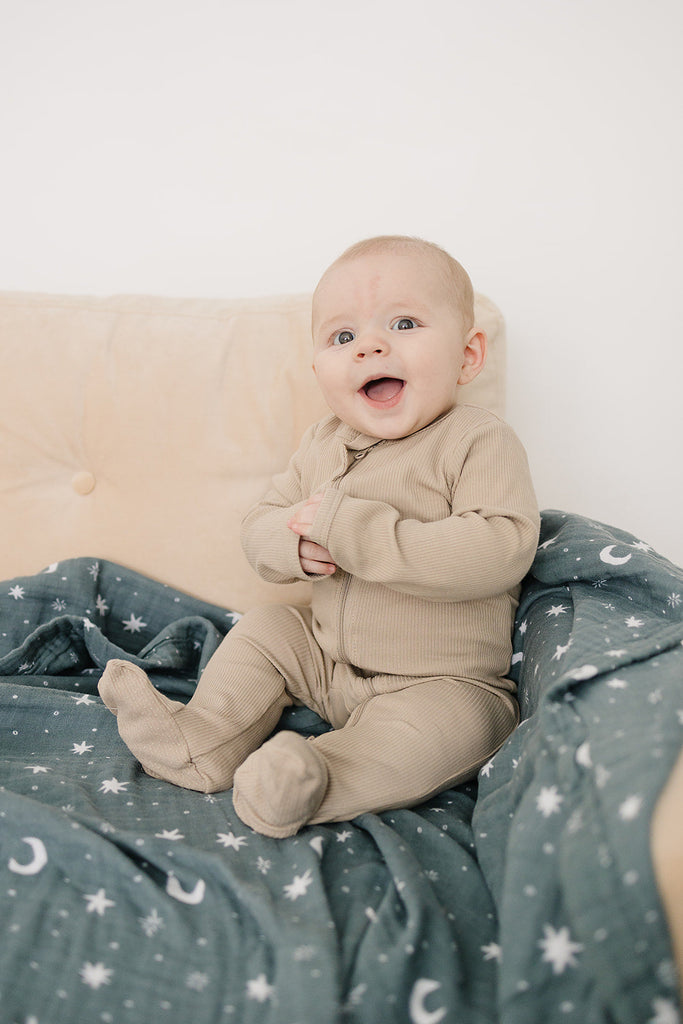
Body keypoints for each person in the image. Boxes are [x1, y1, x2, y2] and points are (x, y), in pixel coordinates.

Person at [98, 235, 540, 837]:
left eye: (404, 323)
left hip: (442, 683)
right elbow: (259, 525)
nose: (371, 346)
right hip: (330, 665)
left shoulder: (474, 439)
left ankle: (306, 780)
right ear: (319, 371)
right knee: (269, 627)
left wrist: (353, 529)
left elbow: (498, 549)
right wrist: (290, 547)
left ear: (468, 356)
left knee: (437, 734)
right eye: (342, 337)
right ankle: (201, 739)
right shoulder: (321, 444)